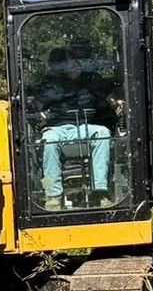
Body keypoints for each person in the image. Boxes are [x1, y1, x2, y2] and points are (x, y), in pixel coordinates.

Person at [35, 44, 112, 208]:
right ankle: (53, 195)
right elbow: (37, 105)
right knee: (49, 141)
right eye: (71, 62)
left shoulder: (90, 80)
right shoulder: (51, 84)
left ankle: (100, 191)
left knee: (103, 132)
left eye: (77, 62)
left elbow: (108, 98)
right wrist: (37, 112)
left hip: (84, 126)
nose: (75, 65)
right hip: (57, 129)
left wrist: (117, 102)